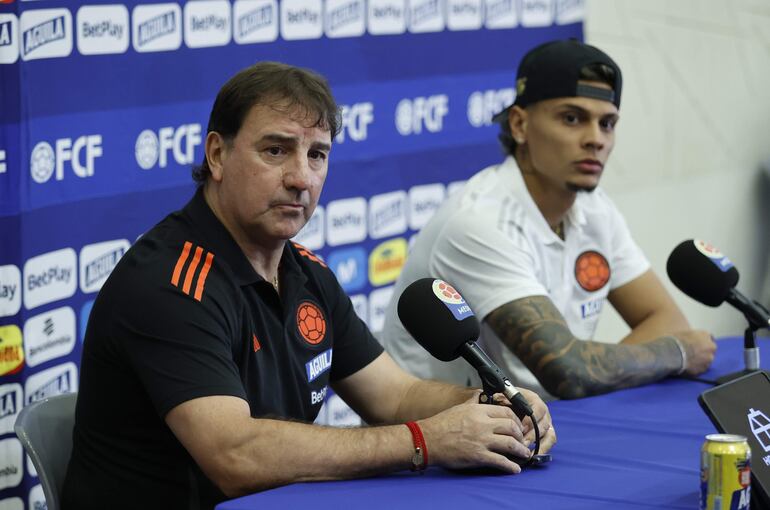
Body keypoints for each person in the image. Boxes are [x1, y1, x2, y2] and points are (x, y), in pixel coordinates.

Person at [61, 62, 555, 510]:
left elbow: (394, 397)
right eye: (275, 150)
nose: (301, 177)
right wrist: (425, 441)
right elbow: (236, 456)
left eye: (317, 155)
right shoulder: (170, 283)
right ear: (217, 154)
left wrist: (490, 408)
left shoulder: (305, 271)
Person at [380, 39, 717, 400]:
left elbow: (664, 319)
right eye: (572, 118)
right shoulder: (478, 222)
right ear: (520, 124)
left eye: (607, 123)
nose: (595, 140)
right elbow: (568, 372)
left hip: (530, 422)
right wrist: (677, 353)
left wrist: (596, 370)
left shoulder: (595, 209)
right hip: (430, 438)